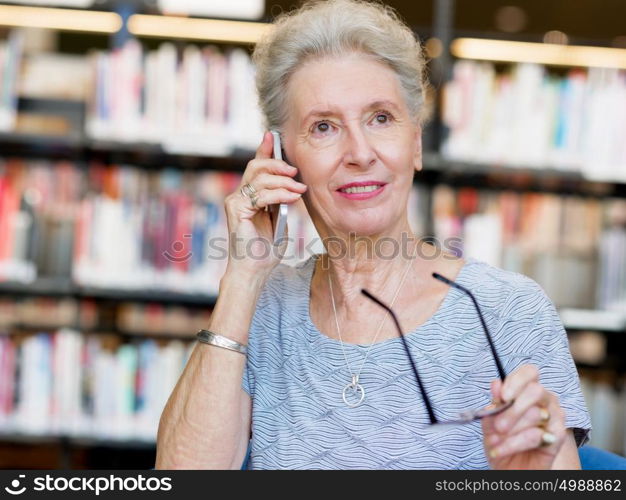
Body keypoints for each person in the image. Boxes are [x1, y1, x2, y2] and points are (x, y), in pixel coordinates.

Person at [155, 0, 591, 470]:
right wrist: (242, 277)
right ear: (281, 156)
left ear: (416, 142)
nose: (360, 152)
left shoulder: (510, 311)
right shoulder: (262, 309)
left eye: (381, 118)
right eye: (324, 126)